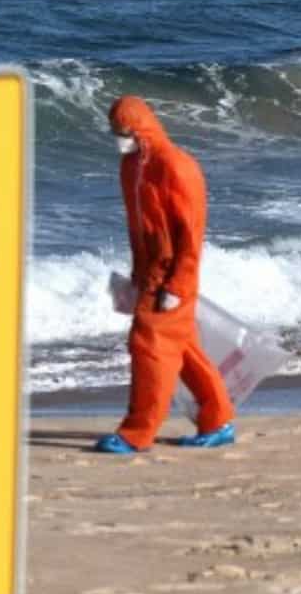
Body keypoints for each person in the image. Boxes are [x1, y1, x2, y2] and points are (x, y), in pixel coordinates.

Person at [94, 95, 236, 454]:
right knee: (183, 349)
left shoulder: (175, 166)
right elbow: (139, 228)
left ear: (141, 129)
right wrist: (135, 277)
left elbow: (191, 231)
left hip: (173, 274)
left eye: (124, 131)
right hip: (150, 272)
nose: (118, 138)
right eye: (115, 131)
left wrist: (179, 282)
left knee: (149, 347)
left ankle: (136, 432)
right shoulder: (130, 166)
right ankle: (218, 420)